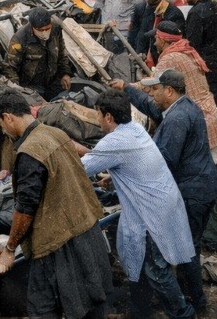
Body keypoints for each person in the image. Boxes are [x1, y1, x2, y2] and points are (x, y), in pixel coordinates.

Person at [0, 90, 111, 318]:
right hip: (87, 230)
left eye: (1, 125)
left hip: (58, 245)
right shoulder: (56, 133)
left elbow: (25, 209)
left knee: (42, 309)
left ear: (8, 117)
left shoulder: (29, 152)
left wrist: (9, 249)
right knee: (92, 299)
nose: (3, 131)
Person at [80, 89, 195, 318]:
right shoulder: (135, 129)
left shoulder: (114, 141)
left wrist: (70, 150)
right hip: (165, 202)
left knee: (156, 270)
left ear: (108, 116)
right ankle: (139, 311)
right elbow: (136, 162)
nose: (98, 120)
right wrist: (115, 177)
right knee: (144, 265)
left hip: (152, 212)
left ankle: (183, 314)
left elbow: (78, 170)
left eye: (98, 115)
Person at [111, 70, 216, 313]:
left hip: (192, 192)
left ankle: (192, 303)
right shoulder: (181, 106)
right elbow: (151, 107)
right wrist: (127, 88)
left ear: (169, 91)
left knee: (186, 248)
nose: (151, 92)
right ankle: (191, 298)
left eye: (155, 89)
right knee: (188, 247)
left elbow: (163, 160)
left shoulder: (177, 119)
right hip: (201, 187)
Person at [1, 7, 72, 100]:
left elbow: (62, 54)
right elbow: (9, 67)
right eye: (40, 30)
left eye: (47, 29)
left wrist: (65, 74)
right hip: (31, 86)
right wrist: (19, 90)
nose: (44, 32)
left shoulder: (56, 29)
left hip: (52, 80)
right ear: (32, 27)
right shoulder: (20, 39)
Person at [127, 0, 185, 64]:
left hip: (163, 57)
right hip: (142, 55)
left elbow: (175, 39)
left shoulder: (173, 12)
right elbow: (133, 32)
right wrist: (134, 52)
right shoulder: (141, 8)